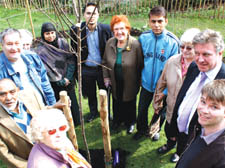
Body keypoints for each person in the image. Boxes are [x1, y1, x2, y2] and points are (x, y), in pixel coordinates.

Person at [170, 29, 225, 163]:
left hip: (203, 141)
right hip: (182, 132)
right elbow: (183, 96)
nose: (200, 59)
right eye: (197, 53)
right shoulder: (194, 67)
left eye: (206, 54)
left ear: (220, 53)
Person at [133, 6, 180, 140]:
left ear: (166, 21)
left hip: (163, 87)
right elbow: (139, 60)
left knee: (160, 111)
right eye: (153, 21)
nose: (156, 25)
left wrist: (164, 92)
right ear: (149, 21)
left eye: (160, 21)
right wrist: (140, 78)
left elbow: (174, 70)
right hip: (146, 84)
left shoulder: (172, 42)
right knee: (141, 109)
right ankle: (141, 129)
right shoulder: (143, 38)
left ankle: (155, 130)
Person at [153, 28, 200, 160]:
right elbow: (161, 83)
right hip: (171, 107)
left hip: (188, 112)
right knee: (169, 130)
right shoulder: (172, 61)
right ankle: (170, 144)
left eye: (189, 48)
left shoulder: (201, 68)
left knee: (184, 136)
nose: (184, 51)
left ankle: (179, 153)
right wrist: (157, 103)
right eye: (182, 46)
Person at [0, 78, 69, 168]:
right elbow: (6, 155)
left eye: (12, 92)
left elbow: (41, 113)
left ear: (18, 90)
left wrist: (54, 107)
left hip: (55, 156)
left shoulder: (30, 96)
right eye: (2, 94)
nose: (9, 97)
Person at [70, 2, 113, 122]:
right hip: (86, 68)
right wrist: (78, 70)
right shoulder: (77, 31)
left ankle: (107, 113)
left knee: (105, 92)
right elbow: (74, 52)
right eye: (88, 13)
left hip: (102, 69)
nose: (91, 16)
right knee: (90, 93)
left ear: (98, 15)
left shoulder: (106, 30)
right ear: (84, 15)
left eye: (94, 13)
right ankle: (93, 112)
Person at [102, 15, 144, 134]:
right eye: (116, 29)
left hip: (130, 81)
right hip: (114, 80)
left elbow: (141, 64)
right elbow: (104, 61)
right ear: (113, 31)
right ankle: (117, 120)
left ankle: (130, 122)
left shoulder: (135, 44)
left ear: (127, 29)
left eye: (122, 28)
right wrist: (106, 77)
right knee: (116, 101)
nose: (119, 32)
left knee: (129, 102)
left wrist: (140, 81)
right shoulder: (110, 43)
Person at [36, 22, 80, 126]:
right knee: (60, 103)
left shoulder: (63, 43)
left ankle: (77, 122)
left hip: (68, 79)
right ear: (43, 35)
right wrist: (58, 80)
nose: (50, 36)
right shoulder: (41, 50)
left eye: (52, 32)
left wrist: (67, 77)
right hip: (55, 83)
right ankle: (63, 123)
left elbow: (70, 59)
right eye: (47, 33)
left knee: (72, 101)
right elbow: (46, 69)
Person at [175, 79, 225, 168]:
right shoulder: (199, 127)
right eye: (203, 101)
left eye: (214, 107)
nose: (204, 110)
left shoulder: (222, 157)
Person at [0, 28, 56, 106]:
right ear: (2, 46)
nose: (14, 48)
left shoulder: (32, 58)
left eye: (17, 43)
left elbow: (45, 84)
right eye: (9, 44)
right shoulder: (1, 68)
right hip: (19, 114)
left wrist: (53, 106)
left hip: (42, 108)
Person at [27, 109, 92, 168]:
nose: (59, 134)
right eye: (52, 131)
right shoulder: (40, 164)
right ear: (40, 134)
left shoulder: (63, 142)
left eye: (62, 128)